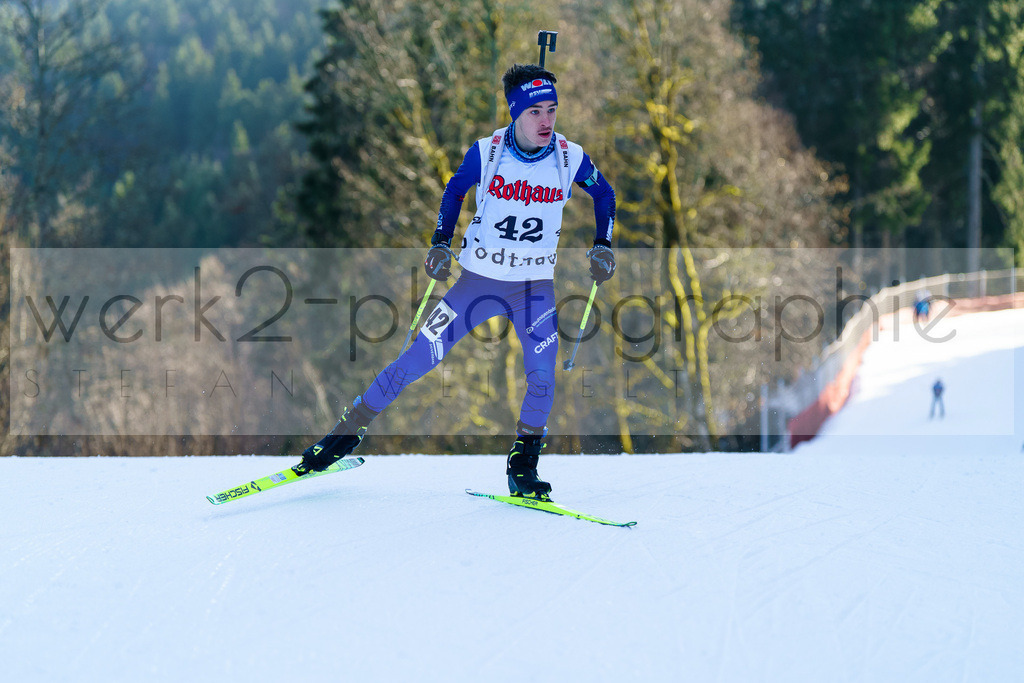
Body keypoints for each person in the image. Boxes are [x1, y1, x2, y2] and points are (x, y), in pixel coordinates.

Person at [293, 63, 617, 501]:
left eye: (552, 110)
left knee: (542, 376)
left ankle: (522, 466)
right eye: (536, 111)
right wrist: (441, 242)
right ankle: (344, 435)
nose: (546, 121)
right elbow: (454, 190)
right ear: (515, 112)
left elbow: (604, 194)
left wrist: (603, 243)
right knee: (415, 360)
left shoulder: (568, 156)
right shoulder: (487, 152)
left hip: (533, 290)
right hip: (477, 285)